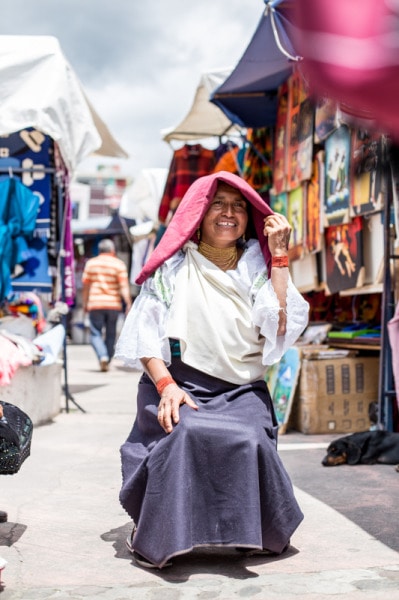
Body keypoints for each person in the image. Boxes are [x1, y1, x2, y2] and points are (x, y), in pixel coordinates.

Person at [115, 171, 309, 569]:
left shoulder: (258, 263)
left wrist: (280, 255)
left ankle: (250, 531)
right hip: (181, 383)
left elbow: (279, 327)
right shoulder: (173, 267)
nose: (229, 213)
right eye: (218, 203)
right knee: (185, 432)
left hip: (242, 389)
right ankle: (160, 533)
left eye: (239, 206)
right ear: (200, 214)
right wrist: (167, 386)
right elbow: (145, 335)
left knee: (251, 437)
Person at [82, 239, 131, 372]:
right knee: (111, 334)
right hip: (113, 304)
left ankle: (102, 356)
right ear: (112, 250)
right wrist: (128, 302)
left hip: (95, 303)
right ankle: (107, 359)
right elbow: (123, 286)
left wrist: (85, 303)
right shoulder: (119, 264)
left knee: (95, 333)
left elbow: (85, 286)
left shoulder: (91, 264)